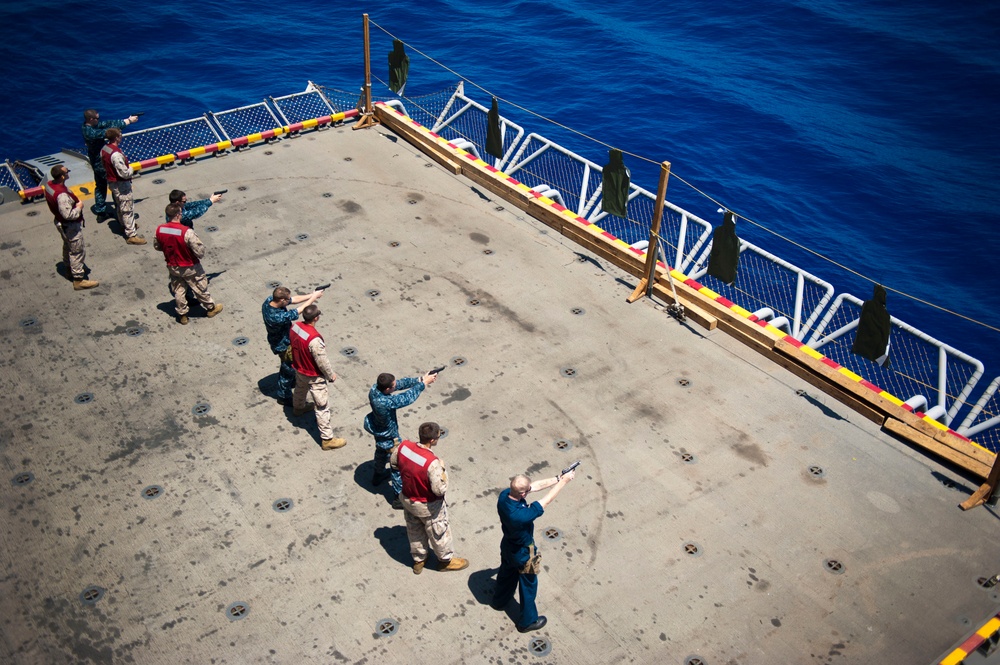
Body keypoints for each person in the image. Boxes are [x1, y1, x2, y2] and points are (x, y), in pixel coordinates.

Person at [492, 469, 576, 633]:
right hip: (524, 552)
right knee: (529, 584)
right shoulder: (521, 515)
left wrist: (558, 478)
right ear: (523, 494)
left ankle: (499, 600)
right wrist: (564, 482)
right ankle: (527, 621)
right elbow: (547, 500)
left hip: (508, 545)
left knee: (506, 572)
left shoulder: (504, 496)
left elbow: (534, 487)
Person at [390, 422, 468, 574]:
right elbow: (439, 489)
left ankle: (418, 560)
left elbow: (393, 463)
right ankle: (445, 561)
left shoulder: (403, 447)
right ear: (432, 440)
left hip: (407, 499)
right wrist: (443, 468)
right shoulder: (432, 463)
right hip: (428, 506)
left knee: (415, 531)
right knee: (439, 533)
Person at [366, 370, 438, 507]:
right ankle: (398, 497)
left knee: (380, 453)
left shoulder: (375, 389)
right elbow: (406, 398)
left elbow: (399, 384)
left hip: (379, 432)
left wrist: (420, 379)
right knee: (397, 465)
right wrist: (423, 384)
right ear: (387, 389)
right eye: (393, 386)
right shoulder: (384, 402)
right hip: (390, 436)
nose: (396, 386)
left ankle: (377, 475)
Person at [153, 203, 224, 324]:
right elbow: (199, 251)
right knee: (199, 287)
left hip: (172, 265)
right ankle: (211, 308)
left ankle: (183, 315)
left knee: (179, 290)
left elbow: (157, 246)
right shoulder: (186, 232)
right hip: (189, 265)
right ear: (177, 215)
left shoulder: (160, 229)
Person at [289, 305, 346, 451]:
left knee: (300, 389)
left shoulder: (296, 327)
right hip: (313, 375)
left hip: (299, 367)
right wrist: (330, 375)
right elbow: (322, 361)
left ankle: (298, 408)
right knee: (322, 406)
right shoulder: (314, 339)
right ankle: (327, 439)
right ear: (316, 318)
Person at [262, 286, 324, 405]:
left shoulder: (270, 300)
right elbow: (298, 310)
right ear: (282, 301)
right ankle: (284, 396)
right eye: (287, 299)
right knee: (288, 368)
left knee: (289, 366)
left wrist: (312, 295)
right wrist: (313, 298)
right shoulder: (275, 317)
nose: (289, 300)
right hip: (282, 344)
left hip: (286, 336)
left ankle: (290, 382)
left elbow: (294, 299)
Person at [43, 165, 98, 290]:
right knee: (77, 250)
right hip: (70, 226)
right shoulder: (61, 195)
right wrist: (79, 206)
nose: (68, 172)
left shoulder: (49, 185)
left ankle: (68, 268)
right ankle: (78, 279)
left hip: (60, 223)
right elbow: (68, 215)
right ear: (62, 176)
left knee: (68, 246)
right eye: (67, 171)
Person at [81, 109, 138, 217]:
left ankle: (100, 210)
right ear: (91, 119)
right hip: (101, 162)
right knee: (115, 185)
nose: (99, 120)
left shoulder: (89, 127)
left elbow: (108, 124)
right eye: (97, 119)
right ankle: (120, 210)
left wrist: (127, 120)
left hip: (96, 160)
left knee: (100, 186)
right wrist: (128, 123)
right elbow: (107, 132)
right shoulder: (90, 132)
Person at [101, 127, 146, 245]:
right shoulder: (116, 154)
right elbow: (124, 173)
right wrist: (131, 168)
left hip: (112, 182)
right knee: (127, 208)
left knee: (120, 205)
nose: (121, 136)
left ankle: (124, 224)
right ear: (116, 137)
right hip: (121, 185)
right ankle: (131, 234)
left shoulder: (105, 149)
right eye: (120, 135)